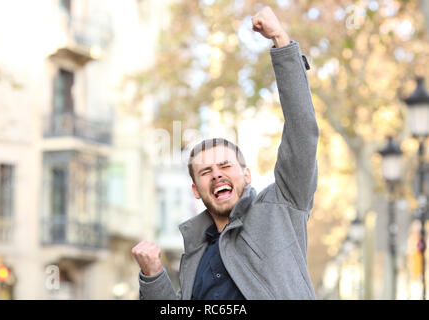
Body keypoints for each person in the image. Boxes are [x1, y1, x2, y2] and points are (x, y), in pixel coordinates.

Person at [131, 5, 319, 300]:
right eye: (205, 171)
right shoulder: (196, 255)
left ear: (246, 173)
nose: (216, 174)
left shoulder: (282, 207)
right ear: (196, 190)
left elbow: (302, 133)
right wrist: (153, 276)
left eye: (225, 166)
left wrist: (281, 42)